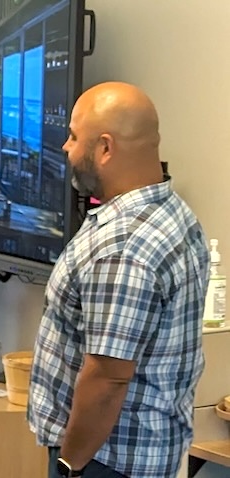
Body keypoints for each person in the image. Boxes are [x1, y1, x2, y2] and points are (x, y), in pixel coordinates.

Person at [30, 82, 208, 478]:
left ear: (105, 148)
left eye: (74, 137)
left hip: (104, 461)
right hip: (142, 453)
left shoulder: (123, 247)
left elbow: (108, 377)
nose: (65, 147)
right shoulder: (174, 213)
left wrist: (70, 466)